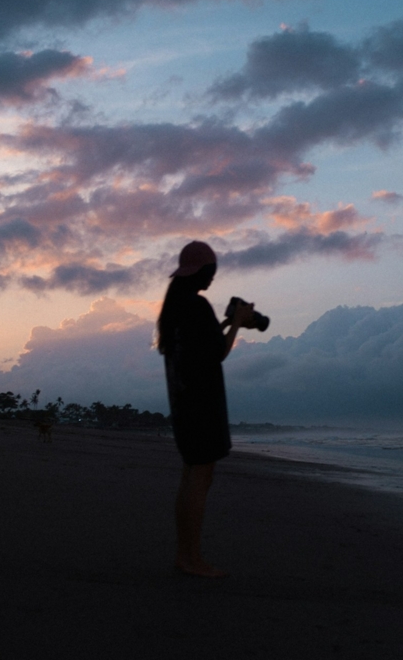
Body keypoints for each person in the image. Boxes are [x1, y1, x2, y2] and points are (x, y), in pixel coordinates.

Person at [157, 240, 254, 577]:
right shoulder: (196, 306)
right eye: (211, 271)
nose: (213, 278)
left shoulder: (175, 309)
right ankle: (191, 558)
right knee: (200, 479)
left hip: (184, 405)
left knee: (191, 478)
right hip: (202, 405)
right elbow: (217, 354)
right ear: (200, 272)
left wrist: (228, 323)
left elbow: (204, 345)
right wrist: (239, 322)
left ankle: (185, 555)